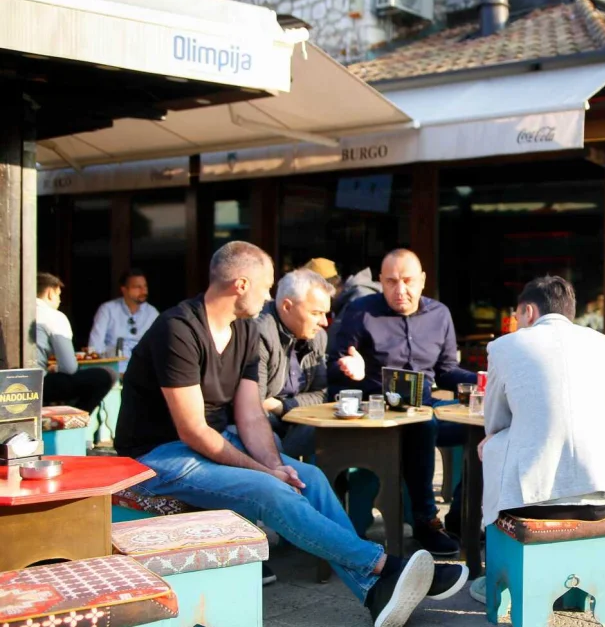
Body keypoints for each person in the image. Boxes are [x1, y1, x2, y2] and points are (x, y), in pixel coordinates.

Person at [114, 242, 466, 627]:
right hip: (157, 457)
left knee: (308, 477)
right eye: (267, 287)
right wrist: (267, 475)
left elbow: (249, 416)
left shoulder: (245, 331)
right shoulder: (178, 328)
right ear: (241, 284)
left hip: (209, 445)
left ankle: (373, 592)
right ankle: (383, 567)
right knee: (271, 490)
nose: (270, 297)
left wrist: (274, 464)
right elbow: (193, 429)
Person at [473, 276, 605, 602]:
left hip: (532, 505)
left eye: (519, 316)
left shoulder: (504, 346)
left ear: (530, 312)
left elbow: (494, 422)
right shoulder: (604, 344)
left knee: (491, 448)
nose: (518, 323)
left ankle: (496, 580)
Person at [328, 249, 473, 556]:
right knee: (423, 423)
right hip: (379, 412)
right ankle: (425, 521)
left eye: (407, 281)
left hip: (426, 404)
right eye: (391, 282)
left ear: (422, 281)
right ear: (381, 281)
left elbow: (446, 372)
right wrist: (348, 367)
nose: (400, 289)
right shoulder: (361, 311)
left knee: (485, 426)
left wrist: (483, 379)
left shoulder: (439, 314)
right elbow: (333, 366)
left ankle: (464, 518)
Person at [256, 268, 354, 459]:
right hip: (259, 428)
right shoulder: (259, 333)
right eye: (316, 313)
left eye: (326, 313)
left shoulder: (317, 337)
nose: (324, 322)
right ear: (287, 306)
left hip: (293, 421)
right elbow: (255, 404)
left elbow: (322, 395)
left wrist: (282, 406)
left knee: (346, 432)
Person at [35, 273, 117, 412]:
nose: (59, 301)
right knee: (107, 375)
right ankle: (75, 420)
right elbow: (69, 367)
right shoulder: (53, 316)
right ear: (50, 293)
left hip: (7, 384)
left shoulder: (12, 312)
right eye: (59, 295)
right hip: (35, 386)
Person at [87, 268, 158, 370]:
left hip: (142, 371)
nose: (144, 291)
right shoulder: (108, 309)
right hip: (112, 369)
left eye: (145, 286)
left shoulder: (152, 313)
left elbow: (158, 346)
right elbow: (94, 347)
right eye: (138, 287)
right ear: (124, 289)